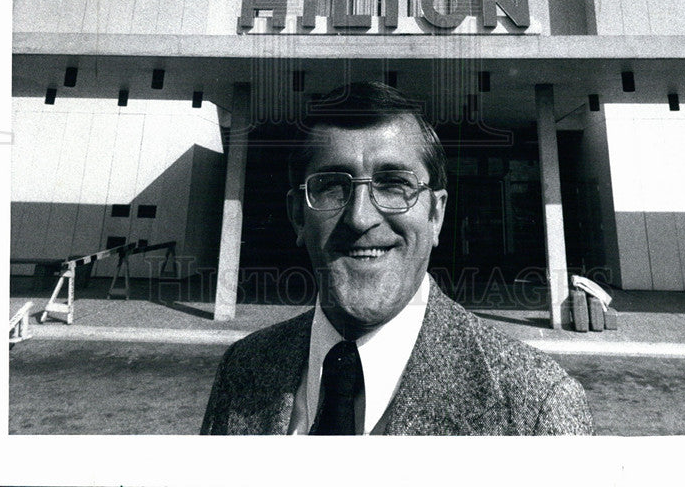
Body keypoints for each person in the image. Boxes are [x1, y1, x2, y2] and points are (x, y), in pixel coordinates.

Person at [201, 82, 593, 435]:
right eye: (332, 186)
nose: (359, 218)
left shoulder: (537, 408)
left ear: (436, 215)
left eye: (394, 185)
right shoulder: (243, 368)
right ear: (296, 216)